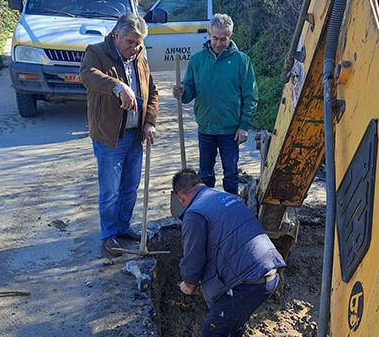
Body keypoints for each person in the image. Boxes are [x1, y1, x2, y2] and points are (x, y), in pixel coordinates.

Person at [80, 14, 158, 256]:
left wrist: (149, 122)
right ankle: (109, 235)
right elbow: (87, 75)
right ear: (116, 36)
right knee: (110, 191)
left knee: (129, 188)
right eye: (131, 42)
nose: (135, 47)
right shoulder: (96, 52)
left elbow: (152, 92)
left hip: (135, 136)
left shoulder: (140, 58)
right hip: (110, 138)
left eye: (138, 42)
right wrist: (117, 85)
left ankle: (123, 227)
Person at [172, 169, 285, 336]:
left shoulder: (194, 214)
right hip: (269, 273)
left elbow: (193, 257)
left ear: (180, 198)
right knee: (233, 326)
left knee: (213, 332)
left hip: (248, 282)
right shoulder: (227, 197)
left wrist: (189, 283)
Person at [173, 13, 258, 195]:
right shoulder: (197, 60)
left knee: (231, 175)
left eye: (223, 39)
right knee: (205, 175)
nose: (218, 43)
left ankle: (231, 212)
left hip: (230, 131)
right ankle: (208, 211)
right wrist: (182, 92)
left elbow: (250, 96)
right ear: (209, 34)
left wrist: (243, 126)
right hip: (206, 129)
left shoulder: (241, 61)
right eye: (215, 38)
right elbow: (189, 91)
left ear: (231, 37)